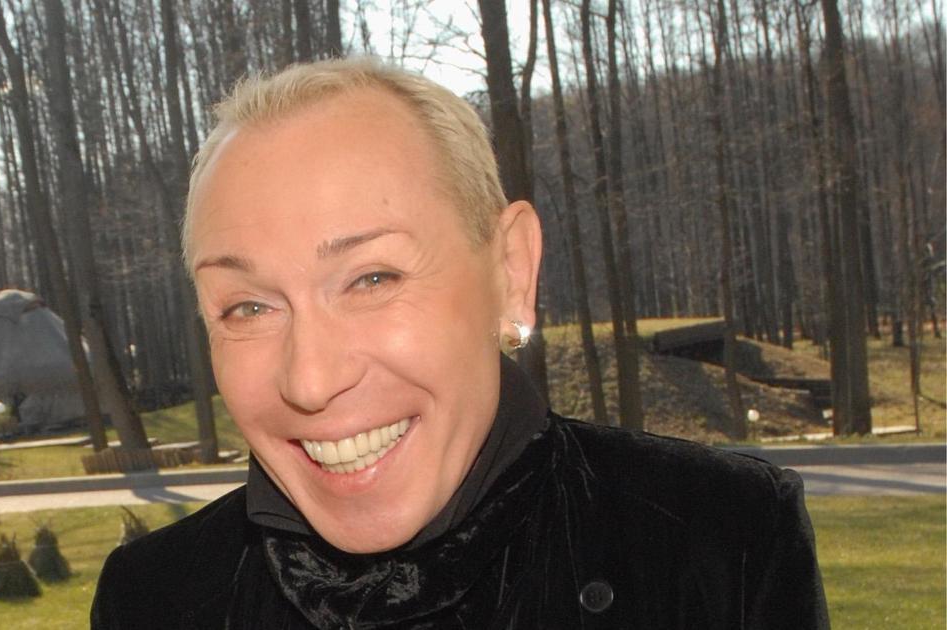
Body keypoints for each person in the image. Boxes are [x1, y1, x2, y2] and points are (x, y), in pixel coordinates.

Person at [91, 57, 828, 629]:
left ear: (511, 271)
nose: (310, 380)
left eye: (373, 278)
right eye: (249, 306)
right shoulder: (155, 600)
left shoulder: (716, 543)